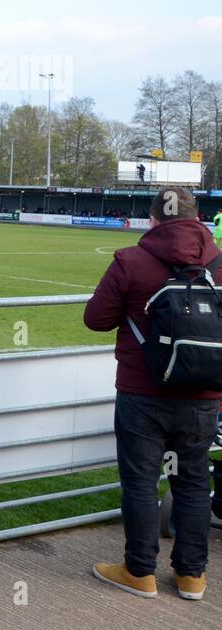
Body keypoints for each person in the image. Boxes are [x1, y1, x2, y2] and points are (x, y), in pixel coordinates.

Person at [84, 187, 218, 600]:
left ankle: (139, 571)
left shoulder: (132, 259)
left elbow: (96, 319)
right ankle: (191, 576)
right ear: (198, 217)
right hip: (204, 394)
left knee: (141, 483)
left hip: (143, 390)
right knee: (193, 482)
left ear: (153, 219)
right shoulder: (218, 261)